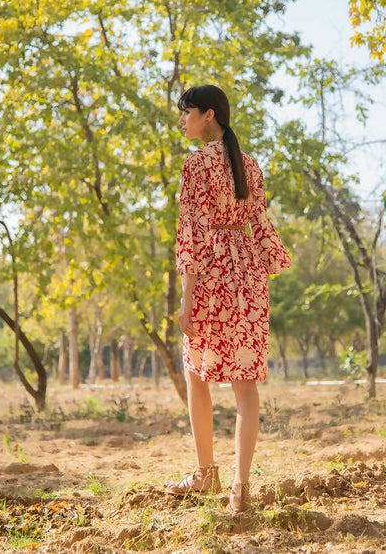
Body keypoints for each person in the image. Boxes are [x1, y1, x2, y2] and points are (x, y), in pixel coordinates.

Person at [164, 85, 291, 512]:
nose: (183, 120)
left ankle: (205, 474)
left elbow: (193, 232)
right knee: (245, 384)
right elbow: (260, 221)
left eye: (188, 113)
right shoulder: (249, 164)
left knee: (197, 371)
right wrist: (265, 265)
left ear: (210, 115)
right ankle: (240, 486)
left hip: (213, 273)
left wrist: (186, 299)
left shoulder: (195, 163)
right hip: (248, 273)